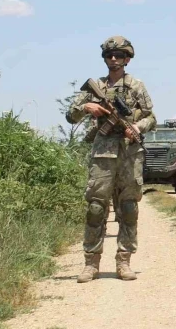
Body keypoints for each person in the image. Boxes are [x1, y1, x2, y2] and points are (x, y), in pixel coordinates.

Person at [66, 35, 156, 283]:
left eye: (119, 55)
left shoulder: (137, 86)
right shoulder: (95, 87)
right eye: (109, 55)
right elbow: (70, 116)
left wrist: (137, 127)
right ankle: (91, 263)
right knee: (96, 207)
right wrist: (87, 108)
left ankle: (124, 260)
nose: (114, 59)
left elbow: (152, 117)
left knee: (128, 207)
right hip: (103, 153)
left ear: (127, 59)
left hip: (129, 152)